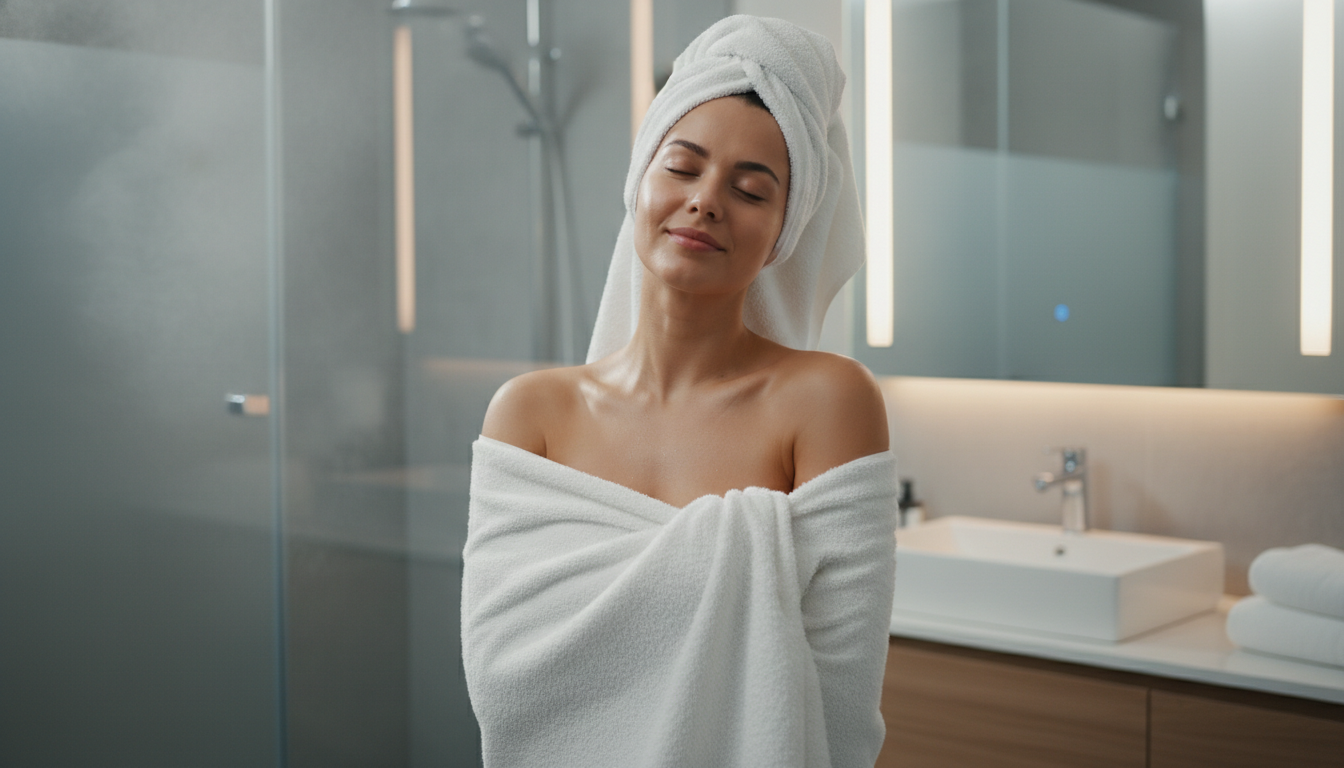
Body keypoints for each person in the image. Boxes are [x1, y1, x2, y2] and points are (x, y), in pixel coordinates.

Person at [463, 16, 898, 768]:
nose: (705, 201)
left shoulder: (827, 402)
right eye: (682, 166)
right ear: (639, 181)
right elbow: (504, 678)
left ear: (784, 232)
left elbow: (841, 704)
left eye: (751, 189)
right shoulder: (529, 413)